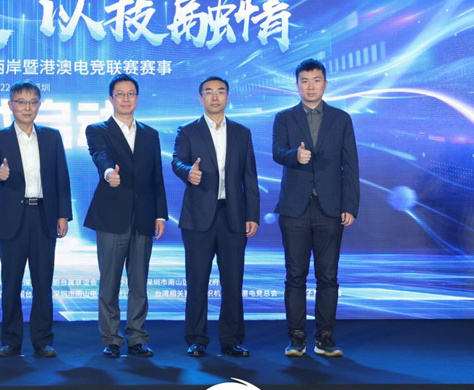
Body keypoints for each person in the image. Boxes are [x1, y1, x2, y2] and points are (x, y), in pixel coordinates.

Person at [273, 59, 360, 358]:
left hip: (330, 209)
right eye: (305, 81)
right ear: (297, 84)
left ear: (325, 83)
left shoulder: (341, 119)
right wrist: (294, 156)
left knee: (328, 276)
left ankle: (325, 337)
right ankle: (296, 337)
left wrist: (350, 205)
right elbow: (277, 152)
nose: (310, 86)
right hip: (294, 209)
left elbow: (350, 164)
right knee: (295, 276)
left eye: (316, 80)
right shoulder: (284, 118)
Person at [0, 81, 72, 358]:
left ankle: (43, 341)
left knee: (43, 283)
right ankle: (11, 341)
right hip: (11, 219)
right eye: (21, 102)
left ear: (39, 105)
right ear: (10, 105)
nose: (27, 107)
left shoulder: (52, 136)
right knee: (11, 283)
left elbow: (61, 177)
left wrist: (63, 214)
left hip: (44, 215)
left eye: (32, 102)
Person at [172, 76, 260, 358]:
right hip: (198, 218)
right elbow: (177, 161)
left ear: (228, 97)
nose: (214, 97)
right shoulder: (188, 131)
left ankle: (232, 340)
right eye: (208, 92)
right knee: (197, 281)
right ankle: (196, 339)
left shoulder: (242, 133)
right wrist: (188, 172)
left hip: (233, 216)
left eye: (220, 91)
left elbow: (250, 176)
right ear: (200, 98)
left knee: (232, 282)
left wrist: (252, 214)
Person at [84, 73, 168, 358]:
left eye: (131, 93)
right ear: (111, 99)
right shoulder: (98, 130)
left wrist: (160, 214)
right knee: (109, 281)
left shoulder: (150, 134)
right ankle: (111, 338)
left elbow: (157, 177)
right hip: (111, 216)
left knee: (139, 282)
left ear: (137, 98)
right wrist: (109, 173)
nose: (126, 99)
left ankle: (137, 337)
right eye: (120, 94)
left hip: (144, 216)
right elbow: (100, 155)